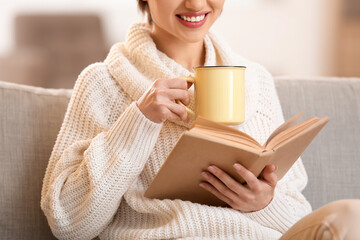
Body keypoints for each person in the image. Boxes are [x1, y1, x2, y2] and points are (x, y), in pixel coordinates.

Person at [41, 0, 360, 239]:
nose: (195, 3)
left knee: (350, 216)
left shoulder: (257, 81)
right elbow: (69, 223)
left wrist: (265, 203)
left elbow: (299, 217)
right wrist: (138, 121)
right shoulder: (103, 83)